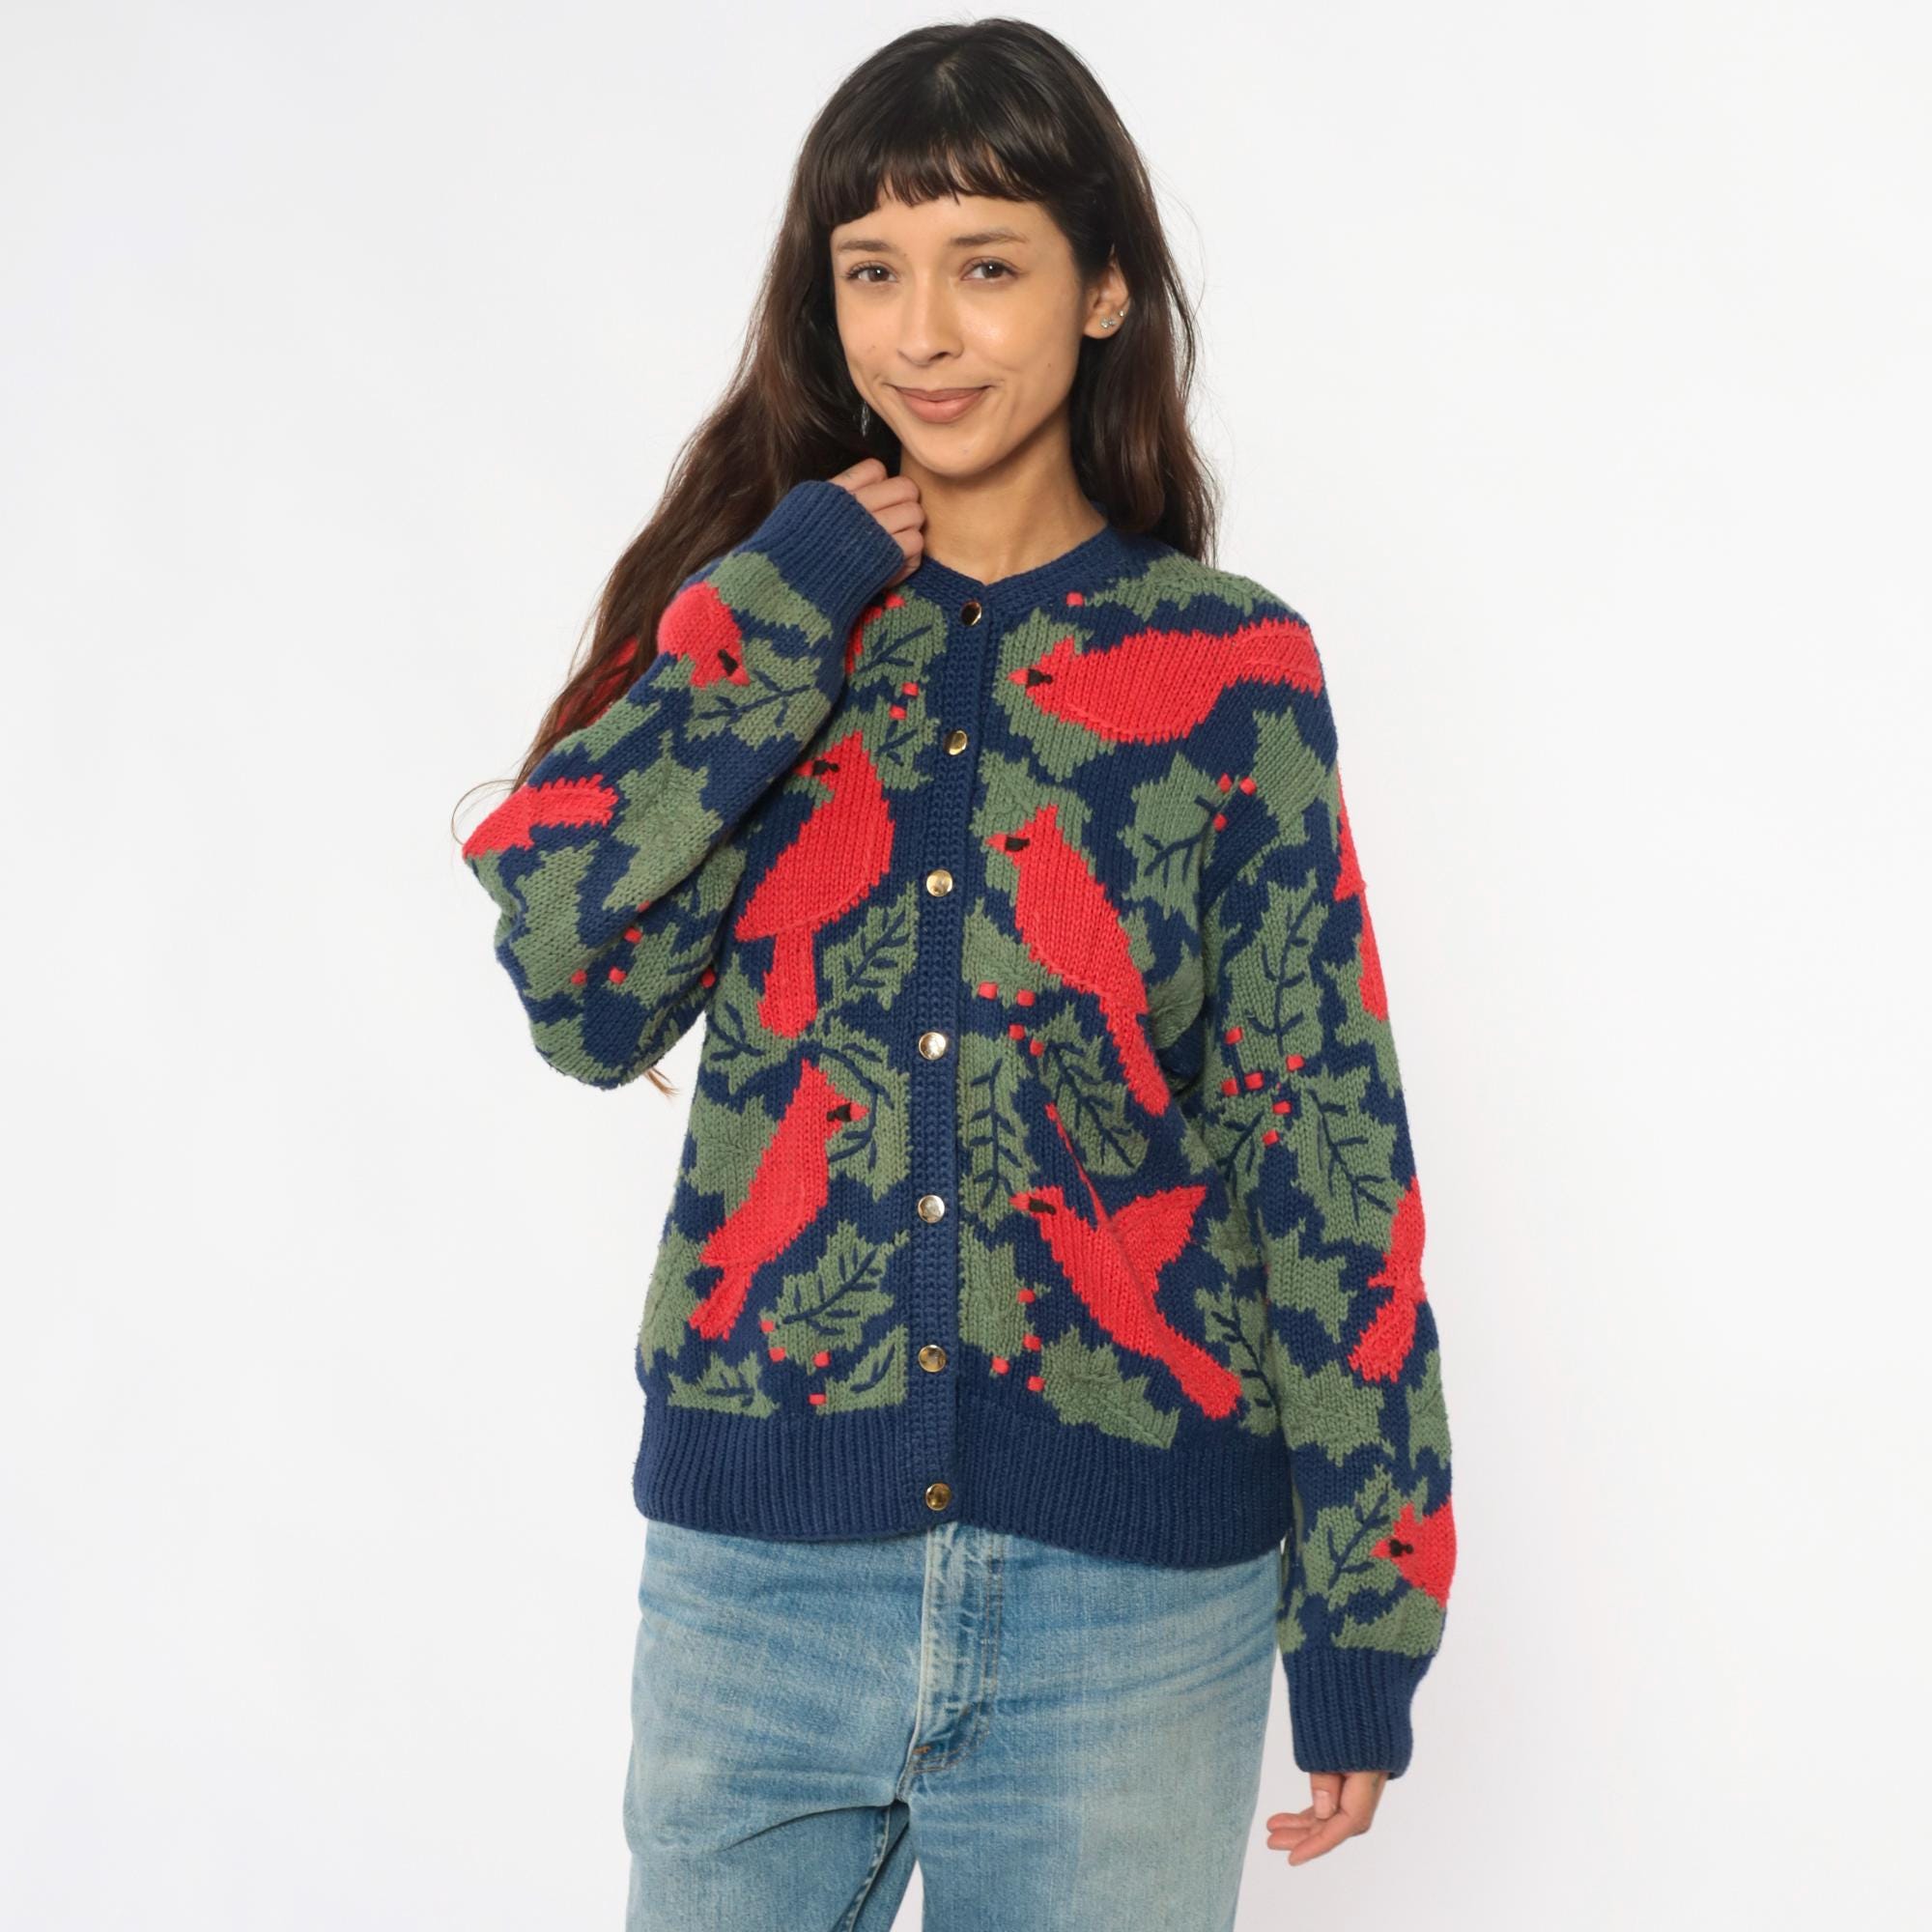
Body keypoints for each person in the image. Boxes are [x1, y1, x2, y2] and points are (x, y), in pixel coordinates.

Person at [455, 18, 1456, 1930]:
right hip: (761, 1592)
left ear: (1101, 288)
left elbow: (1322, 1146)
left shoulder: (1228, 673)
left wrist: (1364, 1611)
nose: (921, 332)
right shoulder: (775, 622)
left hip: (1131, 1607)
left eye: (984, 265)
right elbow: (574, 985)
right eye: (872, 272)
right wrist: (781, 603)